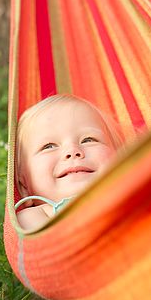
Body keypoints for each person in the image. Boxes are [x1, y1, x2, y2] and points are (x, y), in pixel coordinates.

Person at [14, 94, 123, 230]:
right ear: (24, 187)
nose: (72, 151)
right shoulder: (33, 217)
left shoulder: (136, 197)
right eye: (49, 146)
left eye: (88, 140)